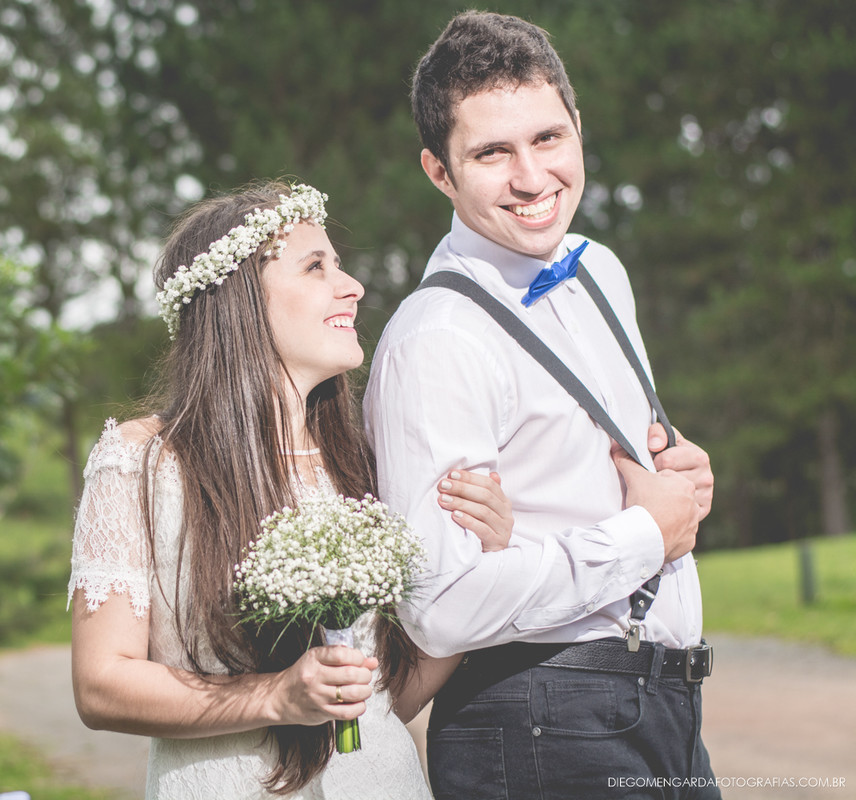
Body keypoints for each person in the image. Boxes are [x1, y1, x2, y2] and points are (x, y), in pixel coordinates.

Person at [364, 11, 720, 800]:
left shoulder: (602, 270)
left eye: (548, 139)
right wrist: (643, 534)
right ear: (438, 172)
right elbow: (442, 607)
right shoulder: (437, 339)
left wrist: (679, 481)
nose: (531, 178)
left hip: (666, 706)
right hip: (539, 719)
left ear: (578, 128)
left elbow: (598, 472)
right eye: (492, 152)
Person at [68, 180, 511, 799]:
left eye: (340, 264)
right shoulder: (141, 463)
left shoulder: (368, 462)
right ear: (240, 304)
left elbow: (390, 695)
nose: (352, 286)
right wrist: (276, 696)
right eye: (315, 266)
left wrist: (487, 567)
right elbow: (100, 684)